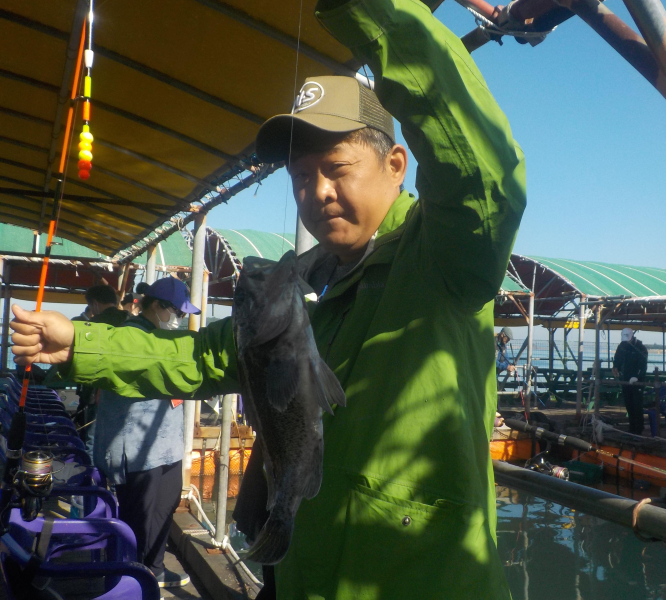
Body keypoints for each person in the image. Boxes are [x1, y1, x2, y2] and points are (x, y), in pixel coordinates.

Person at [10, 0, 526, 596]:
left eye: (336, 168)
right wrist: (78, 342)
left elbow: (480, 173)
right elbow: (198, 356)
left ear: (395, 164)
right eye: (301, 177)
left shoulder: (446, 255)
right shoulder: (305, 285)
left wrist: (365, 9)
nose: (317, 192)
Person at [89, 277, 198, 588]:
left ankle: (155, 568)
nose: (180, 318)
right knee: (139, 516)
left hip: (168, 445)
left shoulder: (163, 337)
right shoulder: (131, 335)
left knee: (165, 507)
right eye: (177, 311)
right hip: (137, 447)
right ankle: (131, 579)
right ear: (156, 306)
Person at [75, 286, 130, 458]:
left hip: (97, 391)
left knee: (91, 438)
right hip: (124, 390)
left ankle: (91, 472)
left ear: (95, 304)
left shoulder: (93, 324)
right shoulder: (129, 321)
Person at [612, 328, 648, 435]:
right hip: (625, 380)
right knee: (628, 404)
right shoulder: (621, 346)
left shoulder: (640, 348)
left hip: (637, 382)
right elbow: (617, 359)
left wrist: (637, 376)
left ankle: (639, 428)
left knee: (637, 405)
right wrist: (615, 367)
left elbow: (643, 365)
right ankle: (632, 427)